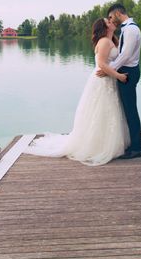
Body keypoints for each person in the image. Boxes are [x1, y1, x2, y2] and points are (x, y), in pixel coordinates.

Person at [24, 18, 130, 166]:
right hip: (102, 80)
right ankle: (98, 145)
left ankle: (105, 141)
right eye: (108, 22)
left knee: (107, 111)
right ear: (104, 27)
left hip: (108, 79)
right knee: (101, 110)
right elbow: (101, 64)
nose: (112, 22)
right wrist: (118, 76)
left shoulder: (112, 40)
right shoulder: (104, 42)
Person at [97, 3, 141, 159]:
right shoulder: (127, 28)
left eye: (111, 16)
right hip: (126, 71)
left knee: (131, 111)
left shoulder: (130, 29)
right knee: (128, 110)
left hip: (128, 72)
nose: (111, 20)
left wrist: (109, 70)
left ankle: (137, 148)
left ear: (118, 13)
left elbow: (125, 56)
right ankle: (133, 144)